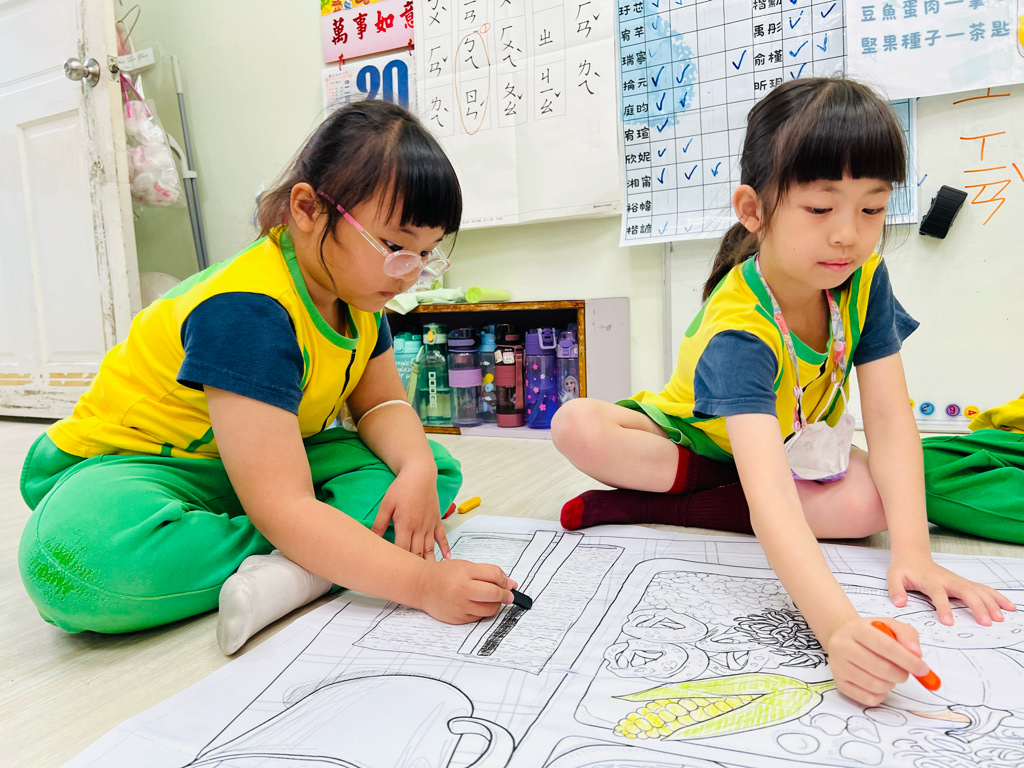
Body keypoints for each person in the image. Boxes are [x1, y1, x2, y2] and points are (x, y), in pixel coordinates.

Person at [552, 77, 1014, 706]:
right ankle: (685, 497)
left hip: (788, 449)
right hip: (693, 443)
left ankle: (671, 506)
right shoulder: (740, 329)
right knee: (577, 425)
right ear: (753, 209)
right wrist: (838, 629)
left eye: (872, 209)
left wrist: (914, 552)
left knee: (875, 506)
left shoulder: (865, 277)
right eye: (821, 209)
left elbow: (888, 416)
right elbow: (769, 498)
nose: (848, 235)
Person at [19, 100, 516, 655]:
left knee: (430, 471)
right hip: (149, 466)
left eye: (425, 254)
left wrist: (417, 466)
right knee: (68, 563)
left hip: (269, 460)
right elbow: (284, 501)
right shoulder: (247, 311)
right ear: (307, 209)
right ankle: (309, 556)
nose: (409, 274)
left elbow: (380, 406)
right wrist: (420, 583)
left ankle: (300, 562)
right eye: (395, 247)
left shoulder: (360, 295)